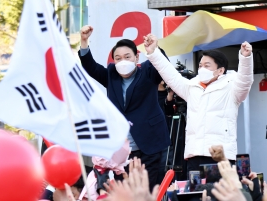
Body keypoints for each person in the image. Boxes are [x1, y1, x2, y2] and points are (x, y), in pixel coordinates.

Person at [143, 34, 253, 173]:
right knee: (196, 195)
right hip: (194, 155)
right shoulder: (191, 87)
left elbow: (245, 81)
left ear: (220, 70)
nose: (202, 69)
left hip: (220, 157)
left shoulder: (232, 88)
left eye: (207, 66)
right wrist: (153, 52)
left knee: (219, 194)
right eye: (200, 65)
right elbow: (170, 75)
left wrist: (246, 58)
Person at [79, 25, 170, 190]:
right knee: (125, 191)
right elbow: (91, 67)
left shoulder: (148, 71)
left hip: (149, 143)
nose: (122, 61)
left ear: (136, 57)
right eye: (118, 58)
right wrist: (84, 42)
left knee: (147, 190)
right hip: (123, 150)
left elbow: (164, 67)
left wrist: (155, 50)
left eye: (127, 56)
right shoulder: (111, 74)